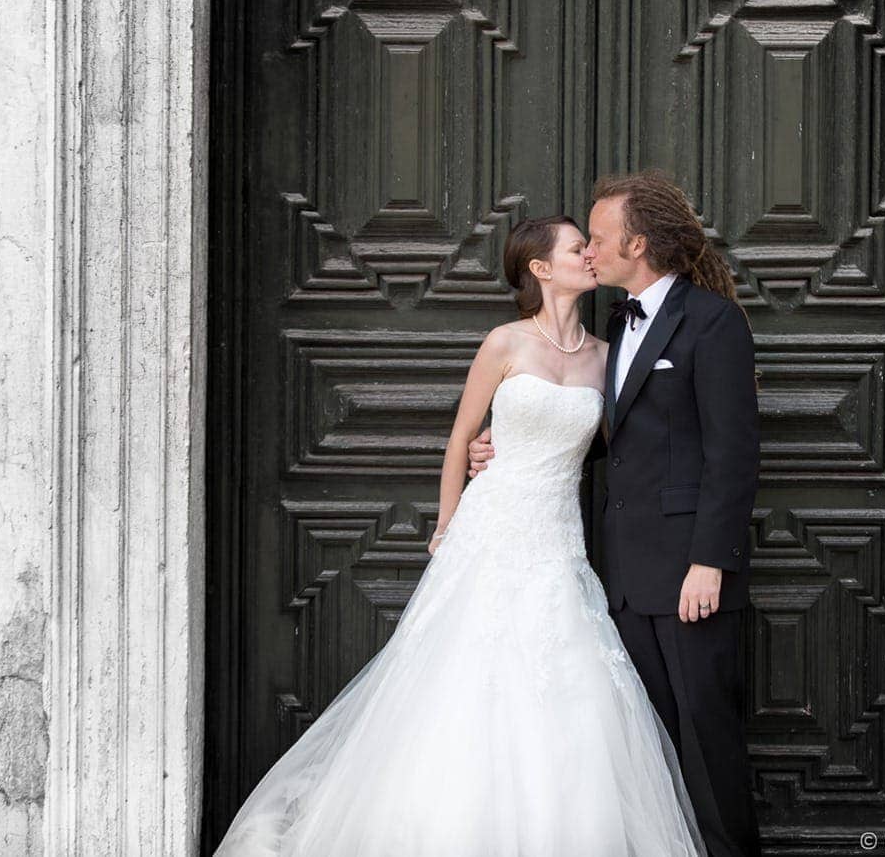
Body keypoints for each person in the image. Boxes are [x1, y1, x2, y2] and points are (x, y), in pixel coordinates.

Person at [212, 212, 707, 857]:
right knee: (465, 678)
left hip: (557, 539)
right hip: (490, 528)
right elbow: (460, 438)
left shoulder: (606, 357)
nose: (589, 255)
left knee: (565, 682)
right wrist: (448, 525)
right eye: (576, 248)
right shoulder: (505, 343)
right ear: (540, 268)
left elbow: (623, 445)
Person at [469, 171, 762, 857]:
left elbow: (734, 453)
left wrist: (709, 561)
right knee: (649, 750)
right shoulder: (614, 324)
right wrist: (511, 443)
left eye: (598, 238)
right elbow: (622, 436)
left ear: (637, 243)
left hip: (689, 575)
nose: (590, 250)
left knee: (707, 738)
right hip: (622, 575)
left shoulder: (713, 322)